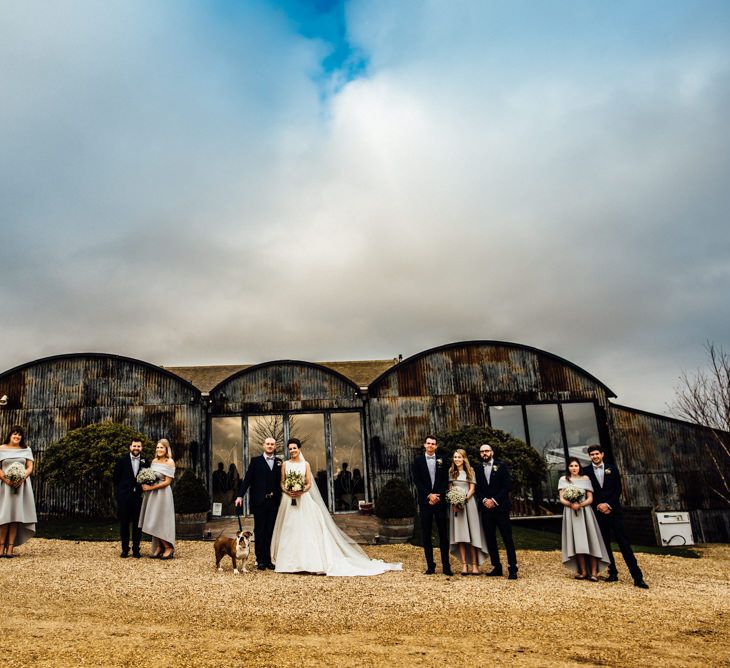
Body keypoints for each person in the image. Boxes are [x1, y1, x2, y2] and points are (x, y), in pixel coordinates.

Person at [270, 438, 401, 576]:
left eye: (294, 448)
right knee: (290, 528)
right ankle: (290, 563)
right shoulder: (285, 464)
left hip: (303, 499)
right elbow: (282, 482)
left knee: (307, 528)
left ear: (299, 449)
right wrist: (287, 490)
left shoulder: (306, 464)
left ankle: (309, 562)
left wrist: (301, 490)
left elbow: (308, 483)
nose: (292, 451)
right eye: (290, 449)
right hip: (289, 500)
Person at [583, 444, 649, 588]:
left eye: (597, 454)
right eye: (592, 454)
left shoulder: (612, 469)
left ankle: (637, 577)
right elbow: (587, 492)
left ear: (602, 454)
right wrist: (599, 506)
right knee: (605, 545)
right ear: (589, 456)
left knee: (624, 544)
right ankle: (612, 573)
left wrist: (609, 505)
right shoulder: (586, 471)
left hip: (614, 512)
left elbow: (618, 489)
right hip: (598, 513)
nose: (595, 456)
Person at [558, 457, 610, 580]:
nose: (574, 468)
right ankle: (583, 571)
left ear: (579, 467)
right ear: (568, 468)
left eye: (576, 466)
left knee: (591, 540)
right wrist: (571, 504)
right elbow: (561, 498)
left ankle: (594, 572)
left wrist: (580, 505)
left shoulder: (585, 479)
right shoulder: (563, 479)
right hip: (571, 512)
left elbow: (590, 498)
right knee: (578, 542)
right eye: (571, 466)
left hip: (585, 512)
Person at [235, 437, 282, 570]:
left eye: (272, 444)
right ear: (263, 445)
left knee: (270, 530)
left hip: (273, 502)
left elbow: (282, 481)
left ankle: (268, 560)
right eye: (268, 444)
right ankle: (260, 559)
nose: (270, 446)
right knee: (260, 530)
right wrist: (240, 495)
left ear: (275, 446)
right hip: (259, 502)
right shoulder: (255, 461)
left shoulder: (279, 462)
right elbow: (247, 479)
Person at [474, 442, 518, 579]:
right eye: (482, 452)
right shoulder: (477, 468)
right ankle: (496, 566)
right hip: (486, 509)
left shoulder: (502, 466)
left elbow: (507, 486)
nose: (485, 453)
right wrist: (484, 500)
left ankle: (512, 568)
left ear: (492, 452)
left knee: (507, 538)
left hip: (501, 508)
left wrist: (494, 500)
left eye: (487, 451)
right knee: (490, 538)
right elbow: (477, 488)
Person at [412, 435, 452, 575]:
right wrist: (429, 495)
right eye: (428, 443)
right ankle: (431, 566)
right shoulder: (418, 461)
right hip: (425, 502)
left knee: (443, 534)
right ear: (424, 445)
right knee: (426, 534)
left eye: (433, 444)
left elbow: (444, 480)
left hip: (440, 501)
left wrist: (437, 495)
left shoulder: (443, 460)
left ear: (436, 446)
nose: (430, 445)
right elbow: (417, 481)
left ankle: (446, 566)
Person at [448, 449, 488, 575]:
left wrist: (463, 500)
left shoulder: (470, 471)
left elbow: (472, 489)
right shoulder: (451, 472)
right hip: (455, 506)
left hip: (469, 505)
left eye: (459, 457)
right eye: (455, 457)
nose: (457, 459)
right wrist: (455, 501)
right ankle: (464, 565)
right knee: (461, 536)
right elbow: (450, 488)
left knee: (472, 535)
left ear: (464, 458)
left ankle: (475, 565)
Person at [0, 426, 36, 557]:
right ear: (10, 435)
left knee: (15, 517)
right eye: (14, 434)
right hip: (4, 487)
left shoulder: (26, 449)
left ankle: (10, 549)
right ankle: (0, 547)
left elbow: (30, 467)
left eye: (19, 435)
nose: (17, 437)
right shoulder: (1, 449)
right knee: (4, 517)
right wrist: (7, 480)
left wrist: (22, 477)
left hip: (21, 486)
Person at [138, 439, 176, 559]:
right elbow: (153, 477)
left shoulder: (170, 462)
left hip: (163, 494)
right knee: (154, 519)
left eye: (162, 448)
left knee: (161, 519)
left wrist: (150, 487)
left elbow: (167, 482)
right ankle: (159, 547)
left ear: (166, 449)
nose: (159, 450)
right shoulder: (154, 461)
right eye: (158, 447)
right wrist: (145, 481)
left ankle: (168, 547)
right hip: (153, 494)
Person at [113, 437, 147, 558]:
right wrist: (122, 492)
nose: (136, 448)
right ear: (130, 447)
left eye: (138, 446)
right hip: (124, 498)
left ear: (141, 448)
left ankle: (136, 549)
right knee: (124, 524)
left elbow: (148, 479)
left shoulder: (145, 461)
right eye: (134, 446)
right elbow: (115, 478)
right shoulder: (122, 460)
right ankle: (125, 549)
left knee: (138, 524)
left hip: (138, 497)